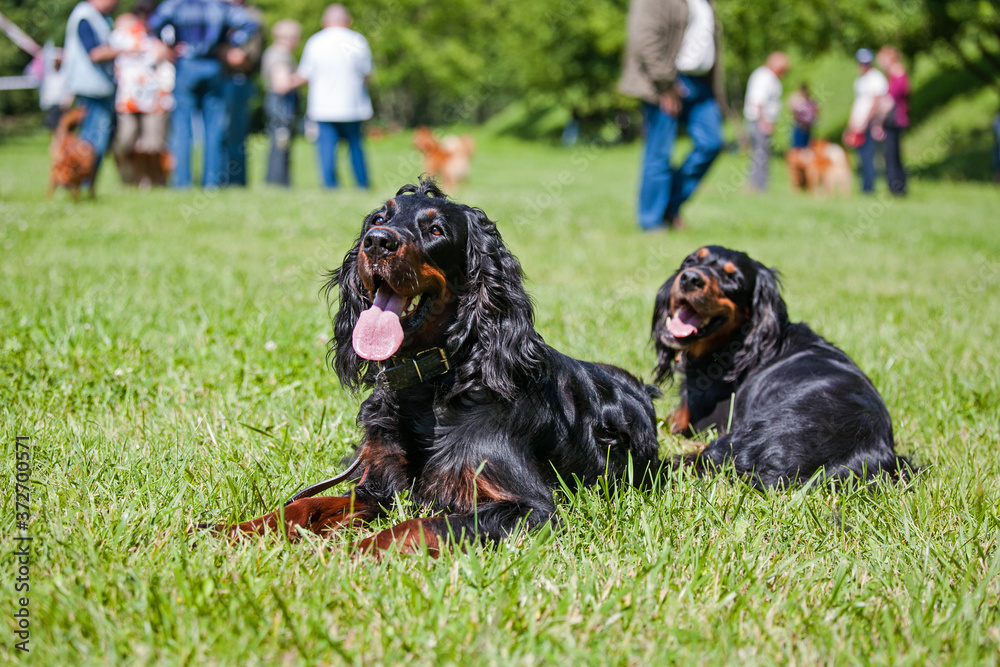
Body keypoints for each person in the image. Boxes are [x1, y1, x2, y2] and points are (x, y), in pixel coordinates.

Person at [619, 0, 725, 231]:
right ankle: (651, 221)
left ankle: (669, 205)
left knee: (712, 142)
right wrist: (666, 84)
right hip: (667, 80)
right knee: (660, 152)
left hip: (701, 82)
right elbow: (644, 38)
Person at [147, 0, 259, 188]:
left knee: (182, 127)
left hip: (186, 65)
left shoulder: (177, 4)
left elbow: (154, 23)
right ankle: (211, 182)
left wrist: (167, 45)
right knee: (214, 128)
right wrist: (230, 44)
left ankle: (183, 183)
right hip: (213, 65)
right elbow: (249, 24)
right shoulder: (219, 5)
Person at [293, 5, 373, 190]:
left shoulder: (315, 42)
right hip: (353, 105)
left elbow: (304, 74)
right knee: (356, 148)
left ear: (324, 21)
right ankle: (362, 183)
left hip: (323, 106)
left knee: (326, 149)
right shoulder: (358, 40)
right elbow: (367, 73)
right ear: (348, 20)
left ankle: (330, 185)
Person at [109, 4, 174, 185]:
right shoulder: (126, 33)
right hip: (128, 99)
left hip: (156, 99)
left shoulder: (163, 34)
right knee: (125, 141)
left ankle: (153, 182)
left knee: (152, 145)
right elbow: (110, 44)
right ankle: (130, 179)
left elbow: (176, 54)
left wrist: (164, 49)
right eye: (141, 16)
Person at [61, 0, 122, 190]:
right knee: (93, 142)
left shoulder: (97, 17)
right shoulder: (85, 17)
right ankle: (81, 183)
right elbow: (95, 53)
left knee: (91, 140)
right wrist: (127, 50)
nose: (117, 3)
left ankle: (79, 183)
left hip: (97, 87)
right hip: (92, 88)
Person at [221, 0, 264, 187]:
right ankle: (216, 180)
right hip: (217, 80)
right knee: (219, 134)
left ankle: (235, 182)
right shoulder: (218, 9)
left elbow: (243, 59)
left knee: (235, 135)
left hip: (237, 80)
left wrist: (217, 51)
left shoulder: (251, 16)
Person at [261, 19, 301, 186]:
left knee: (280, 143)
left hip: (277, 104)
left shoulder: (273, 52)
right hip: (281, 106)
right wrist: (304, 76)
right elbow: (281, 85)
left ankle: (276, 182)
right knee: (281, 144)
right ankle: (278, 182)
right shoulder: (280, 55)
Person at [845, 48, 888, 195]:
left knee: (869, 155)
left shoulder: (876, 78)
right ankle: (864, 185)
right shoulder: (860, 81)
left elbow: (875, 102)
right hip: (859, 123)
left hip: (869, 123)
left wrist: (866, 121)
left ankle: (869, 187)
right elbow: (857, 103)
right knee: (861, 156)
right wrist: (851, 124)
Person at [743, 51, 789, 192]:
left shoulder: (767, 76)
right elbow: (758, 101)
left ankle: (758, 185)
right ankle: (758, 186)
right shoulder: (763, 76)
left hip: (761, 120)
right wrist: (764, 121)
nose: (784, 73)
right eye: (783, 70)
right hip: (759, 120)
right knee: (760, 154)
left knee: (761, 152)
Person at [876, 46, 910, 196]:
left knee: (890, 156)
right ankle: (899, 187)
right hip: (898, 119)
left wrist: (878, 122)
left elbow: (889, 101)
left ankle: (896, 188)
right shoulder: (898, 74)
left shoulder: (896, 75)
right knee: (895, 155)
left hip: (893, 120)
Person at [788, 82, 818, 149]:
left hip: (807, 125)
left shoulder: (808, 100)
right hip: (799, 126)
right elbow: (792, 110)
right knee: (798, 144)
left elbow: (815, 109)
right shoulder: (797, 100)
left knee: (807, 143)